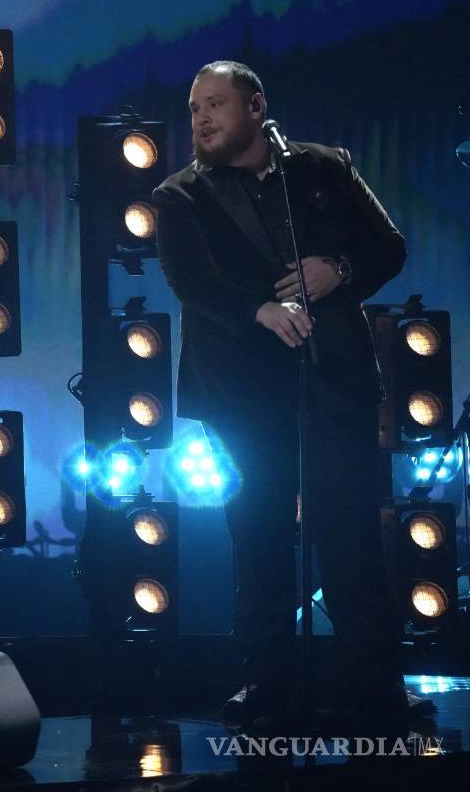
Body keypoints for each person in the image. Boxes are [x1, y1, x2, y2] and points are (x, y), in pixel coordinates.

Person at [152, 61, 430, 732]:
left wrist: (338, 270)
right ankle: (269, 686)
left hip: (331, 382)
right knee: (260, 535)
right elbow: (191, 282)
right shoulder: (179, 196)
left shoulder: (323, 168)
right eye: (194, 108)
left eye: (215, 104)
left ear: (256, 106)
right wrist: (258, 311)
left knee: (351, 537)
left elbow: (388, 246)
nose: (202, 119)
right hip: (243, 390)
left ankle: (374, 689)